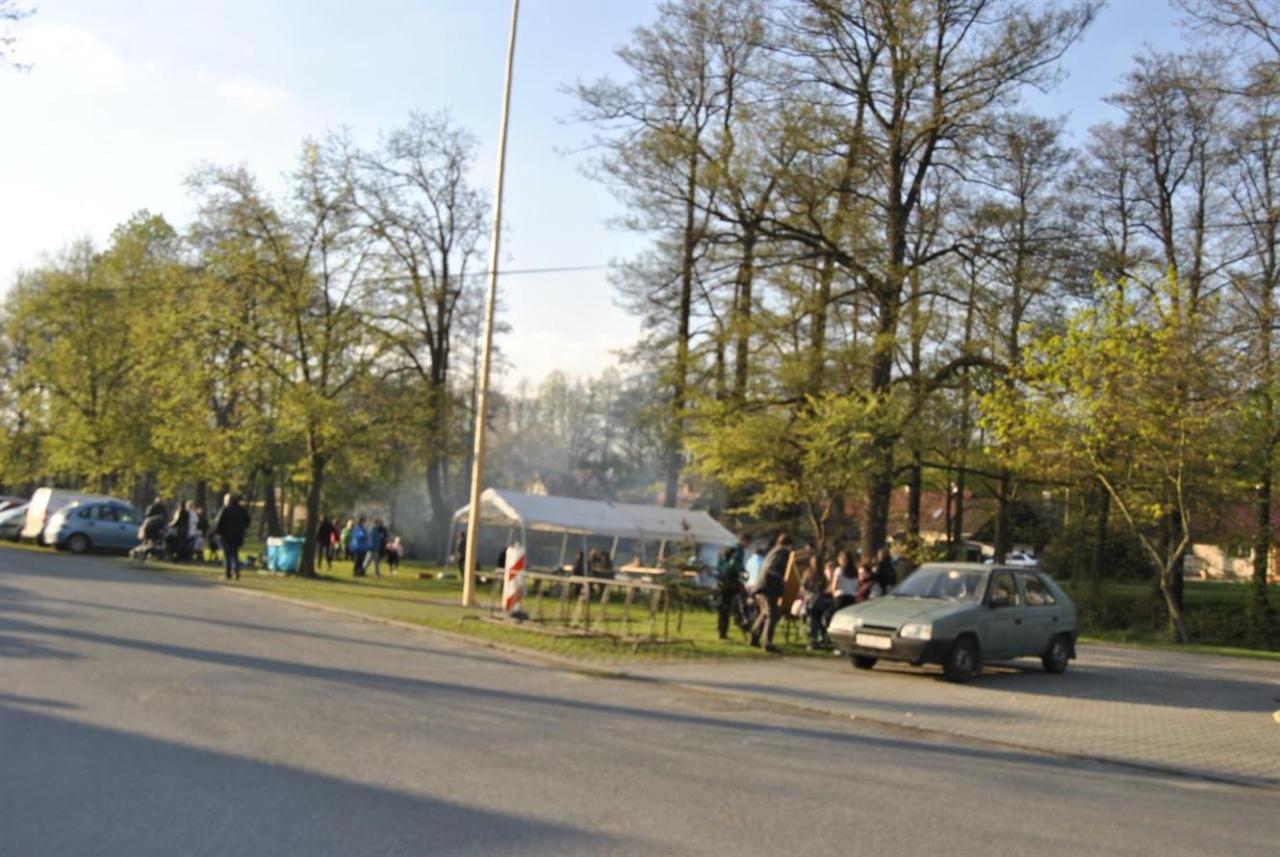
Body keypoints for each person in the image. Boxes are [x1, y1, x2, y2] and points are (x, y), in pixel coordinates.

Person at [750, 533, 793, 652]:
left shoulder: (773, 551)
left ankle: (754, 638)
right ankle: (768, 644)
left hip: (762, 585)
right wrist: (782, 579)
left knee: (764, 613)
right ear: (789, 544)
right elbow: (772, 568)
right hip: (769, 587)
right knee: (772, 615)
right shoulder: (782, 553)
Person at [716, 533, 750, 640]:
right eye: (748, 542)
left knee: (723, 607)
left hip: (721, 580)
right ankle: (741, 624)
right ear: (744, 540)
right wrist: (742, 572)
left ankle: (721, 631)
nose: (748, 545)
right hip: (730, 582)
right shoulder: (738, 550)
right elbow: (735, 564)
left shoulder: (729, 547)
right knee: (735, 605)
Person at [212, 494, 251, 581]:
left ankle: (228, 573)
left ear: (228, 500)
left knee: (227, 555)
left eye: (225, 500)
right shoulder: (242, 510)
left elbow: (218, 522)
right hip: (238, 535)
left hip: (226, 535)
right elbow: (248, 521)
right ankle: (236, 572)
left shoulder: (225, 510)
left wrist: (216, 532)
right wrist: (241, 528)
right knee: (234, 554)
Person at [802, 560, 834, 650]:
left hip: (812, 601)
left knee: (813, 621)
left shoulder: (808, 574)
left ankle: (813, 640)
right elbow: (825, 587)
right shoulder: (821, 575)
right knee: (818, 621)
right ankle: (821, 638)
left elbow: (804, 587)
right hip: (818, 601)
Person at [829, 550, 859, 614]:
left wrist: (834, 595)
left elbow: (834, 586)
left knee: (829, 615)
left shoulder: (838, 570)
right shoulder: (855, 571)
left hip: (841, 597)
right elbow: (857, 586)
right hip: (852, 598)